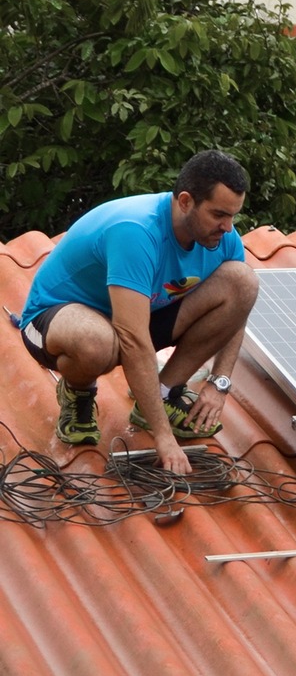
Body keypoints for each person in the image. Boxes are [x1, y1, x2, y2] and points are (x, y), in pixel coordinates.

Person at [19, 150, 259, 475]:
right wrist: (164, 439)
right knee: (97, 343)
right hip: (56, 317)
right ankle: (77, 391)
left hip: (138, 315)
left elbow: (238, 311)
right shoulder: (137, 230)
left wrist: (219, 384)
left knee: (242, 282)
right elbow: (133, 340)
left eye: (233, 215)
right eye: (218, 214)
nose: (227, 227)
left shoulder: (223, 239)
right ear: (186, 201)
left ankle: (162, 394)